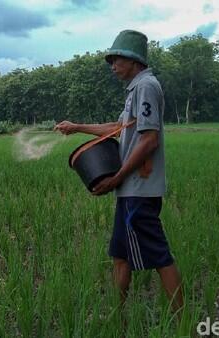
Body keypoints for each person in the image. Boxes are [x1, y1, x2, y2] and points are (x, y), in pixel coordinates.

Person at [54, 30, 184, 314]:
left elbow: (150, 140)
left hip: (139, 189)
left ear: (133, 60)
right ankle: (117, 317)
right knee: (120, 256)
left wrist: (118, 177)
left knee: (160, 256)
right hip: (130, 190)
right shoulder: (135, 90)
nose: (112, 66)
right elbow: (118, 128)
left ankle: (184, 322)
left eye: (116, 60)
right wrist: (77, 127)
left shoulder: (147, 86)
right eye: (111, 60)